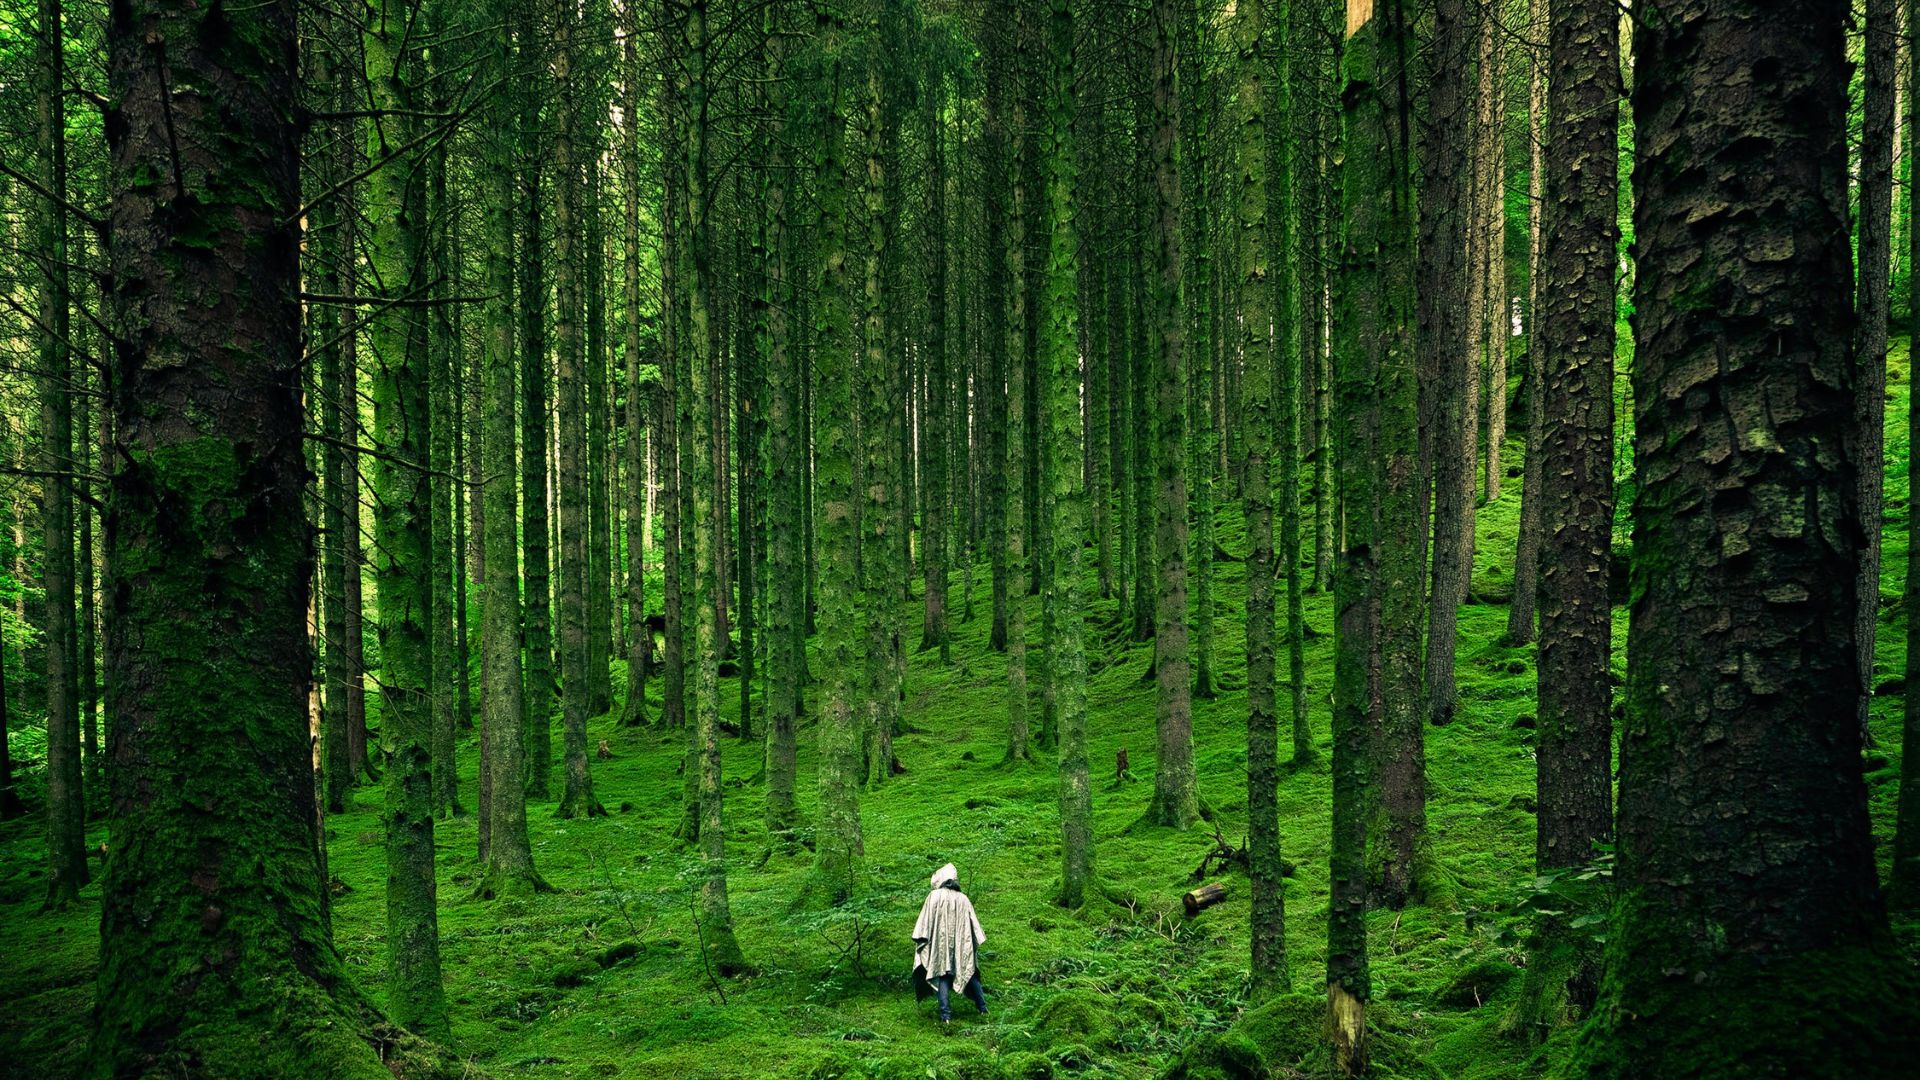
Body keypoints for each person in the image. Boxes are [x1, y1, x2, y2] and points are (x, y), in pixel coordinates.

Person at [911, 863, 987, 1024]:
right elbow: (975, 927)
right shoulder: (963, 899)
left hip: (940, 944)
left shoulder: (934, 897)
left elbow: (924, 924)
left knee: (942, 974)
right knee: (969, 972)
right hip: (961, 944)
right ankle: (983, 1009)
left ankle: (946, 1016)